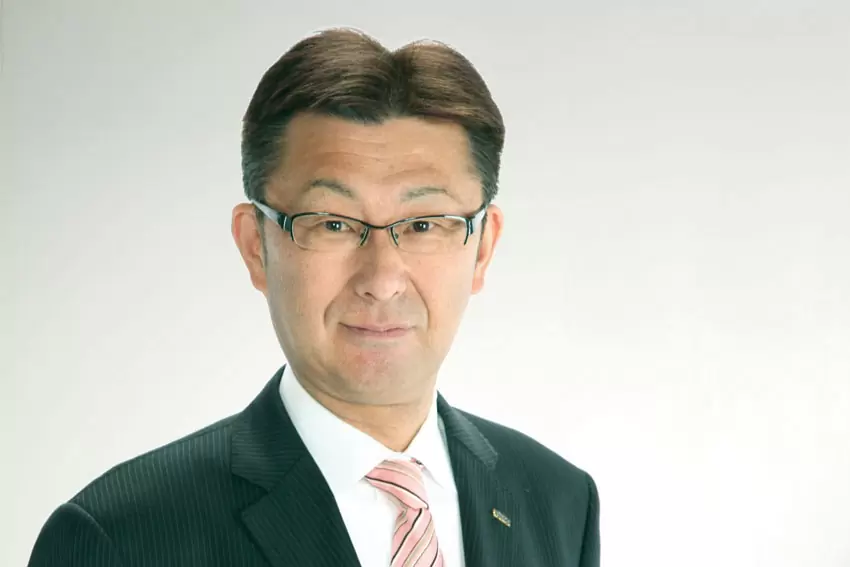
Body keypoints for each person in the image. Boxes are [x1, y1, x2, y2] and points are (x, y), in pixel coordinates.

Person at [28, 28, 600, 567]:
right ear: (256, 246)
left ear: (483, 249)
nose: (382, 278)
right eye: (333, 223)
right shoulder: (122, 538)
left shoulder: (559, 502)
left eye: (425, 224)